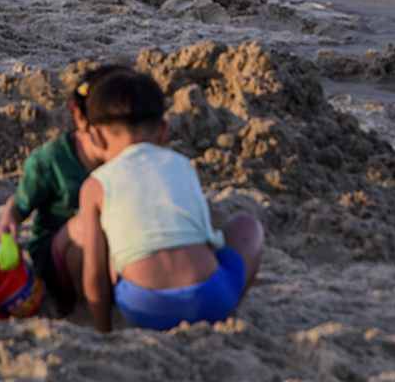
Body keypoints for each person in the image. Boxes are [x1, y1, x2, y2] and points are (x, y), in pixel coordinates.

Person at [74, 69, 262, 333]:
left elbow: (94, 273)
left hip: (143, 307)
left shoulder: (95, 185)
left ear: (97, 136)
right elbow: (207, 238)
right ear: (163, 130)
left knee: (113, 248)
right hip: (212, 300)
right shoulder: (182, 164)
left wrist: (104, 331)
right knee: (247, 226)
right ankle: (224, 316)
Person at [0, 63, 130, 319]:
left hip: (115, 249)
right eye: (111, 129)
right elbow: (21, 203)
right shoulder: (51, 161)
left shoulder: (126, 153)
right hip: (61, 259)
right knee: (86, 226)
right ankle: (85, 305)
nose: (119, 139)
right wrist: (8, 221)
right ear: (80, 118)